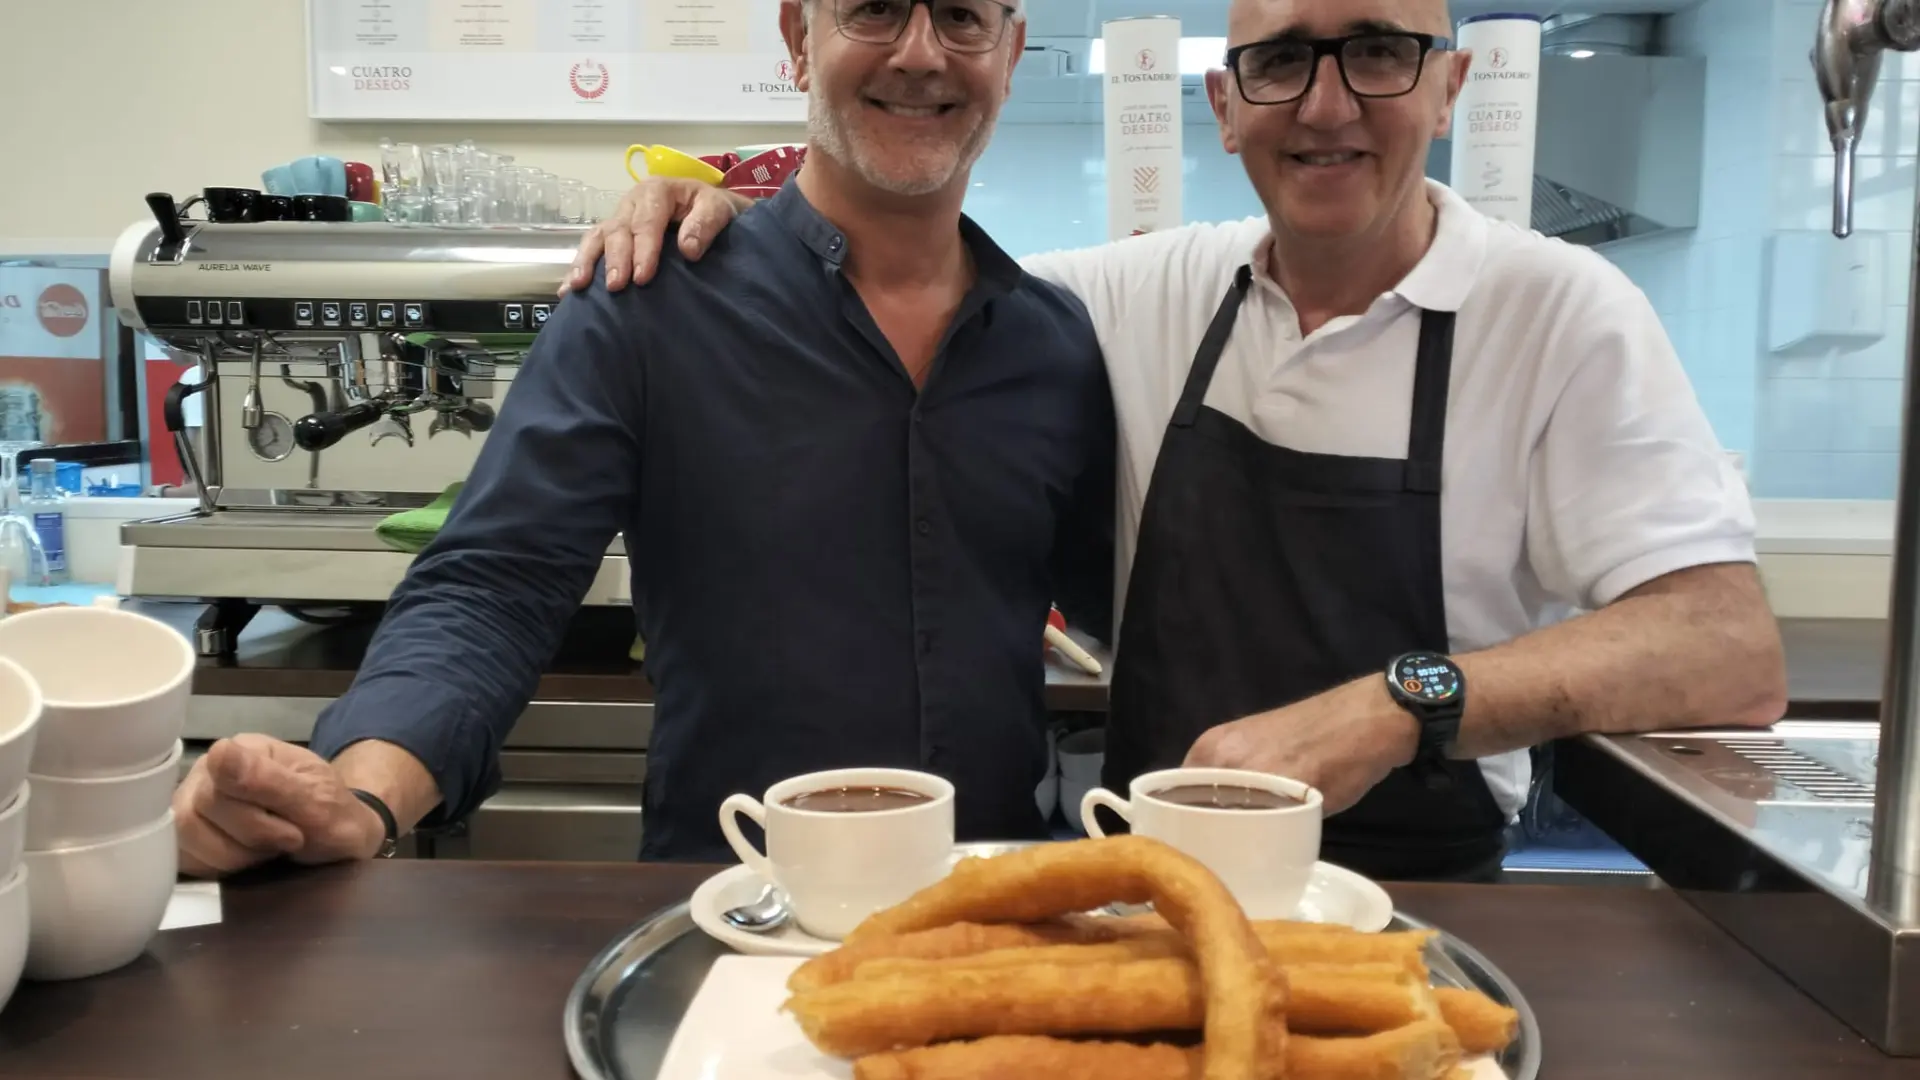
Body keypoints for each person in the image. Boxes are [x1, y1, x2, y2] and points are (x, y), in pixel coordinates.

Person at [566, 0, 1789, 880]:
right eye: (1277, 64)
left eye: (1376, 52)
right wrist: (721, 216)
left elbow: (1727, 650)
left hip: (1409, 902)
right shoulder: (1139, 293)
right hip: (1139, 885)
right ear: (1222, 103)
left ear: (1449, 84)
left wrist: (1399, 703)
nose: (1325, 105)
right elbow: (900, 276)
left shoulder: (1559, 311)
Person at [172, 0, 1119, 876]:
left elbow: (1121, 601)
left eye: (961, 16)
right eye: (873, 6)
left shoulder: (1054, 344)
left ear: (1010, 50)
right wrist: (359, 793)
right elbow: (494, 583)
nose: (919, 51)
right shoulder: (648, 309)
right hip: (726, 906)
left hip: (992, 906)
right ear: (798, 34)